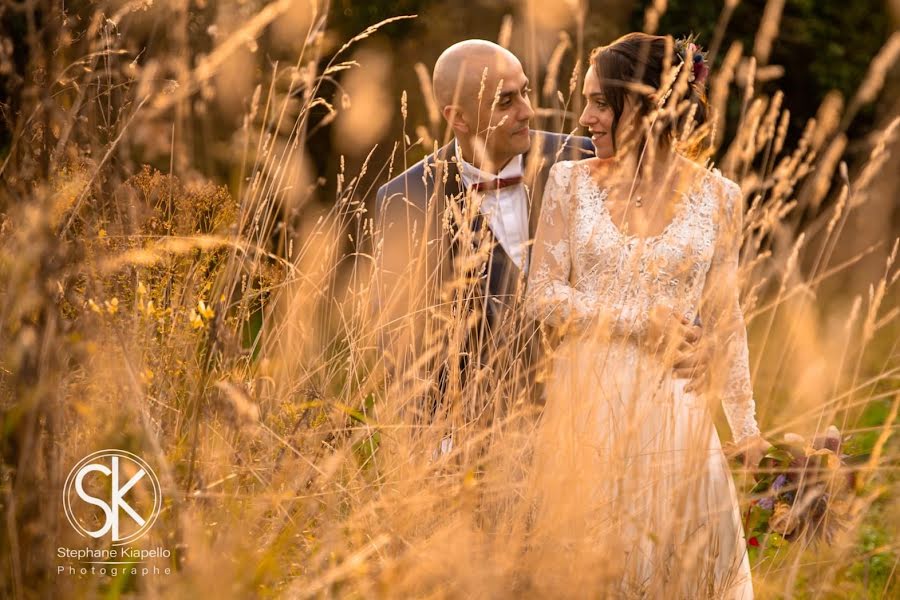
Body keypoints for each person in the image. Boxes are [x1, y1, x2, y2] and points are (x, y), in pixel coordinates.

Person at [522, 32, 770, 598]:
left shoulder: (720, 196)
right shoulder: (567, 183)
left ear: (648, 105)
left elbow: (726, 321)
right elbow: (542, 295)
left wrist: (749, 434)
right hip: (586, 411)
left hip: (678, 415)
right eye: (586, 101)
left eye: (601, 102)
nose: (585, 117)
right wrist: (639, 320)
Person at [373, 40, 593, 454]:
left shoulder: (582, 159)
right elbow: (402, 344)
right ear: (456, 117)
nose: (527, 110)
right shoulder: (407, 199)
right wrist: (436, 442)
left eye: (525, 91)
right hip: (482, 444)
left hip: (592, 424)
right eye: (505, 101)